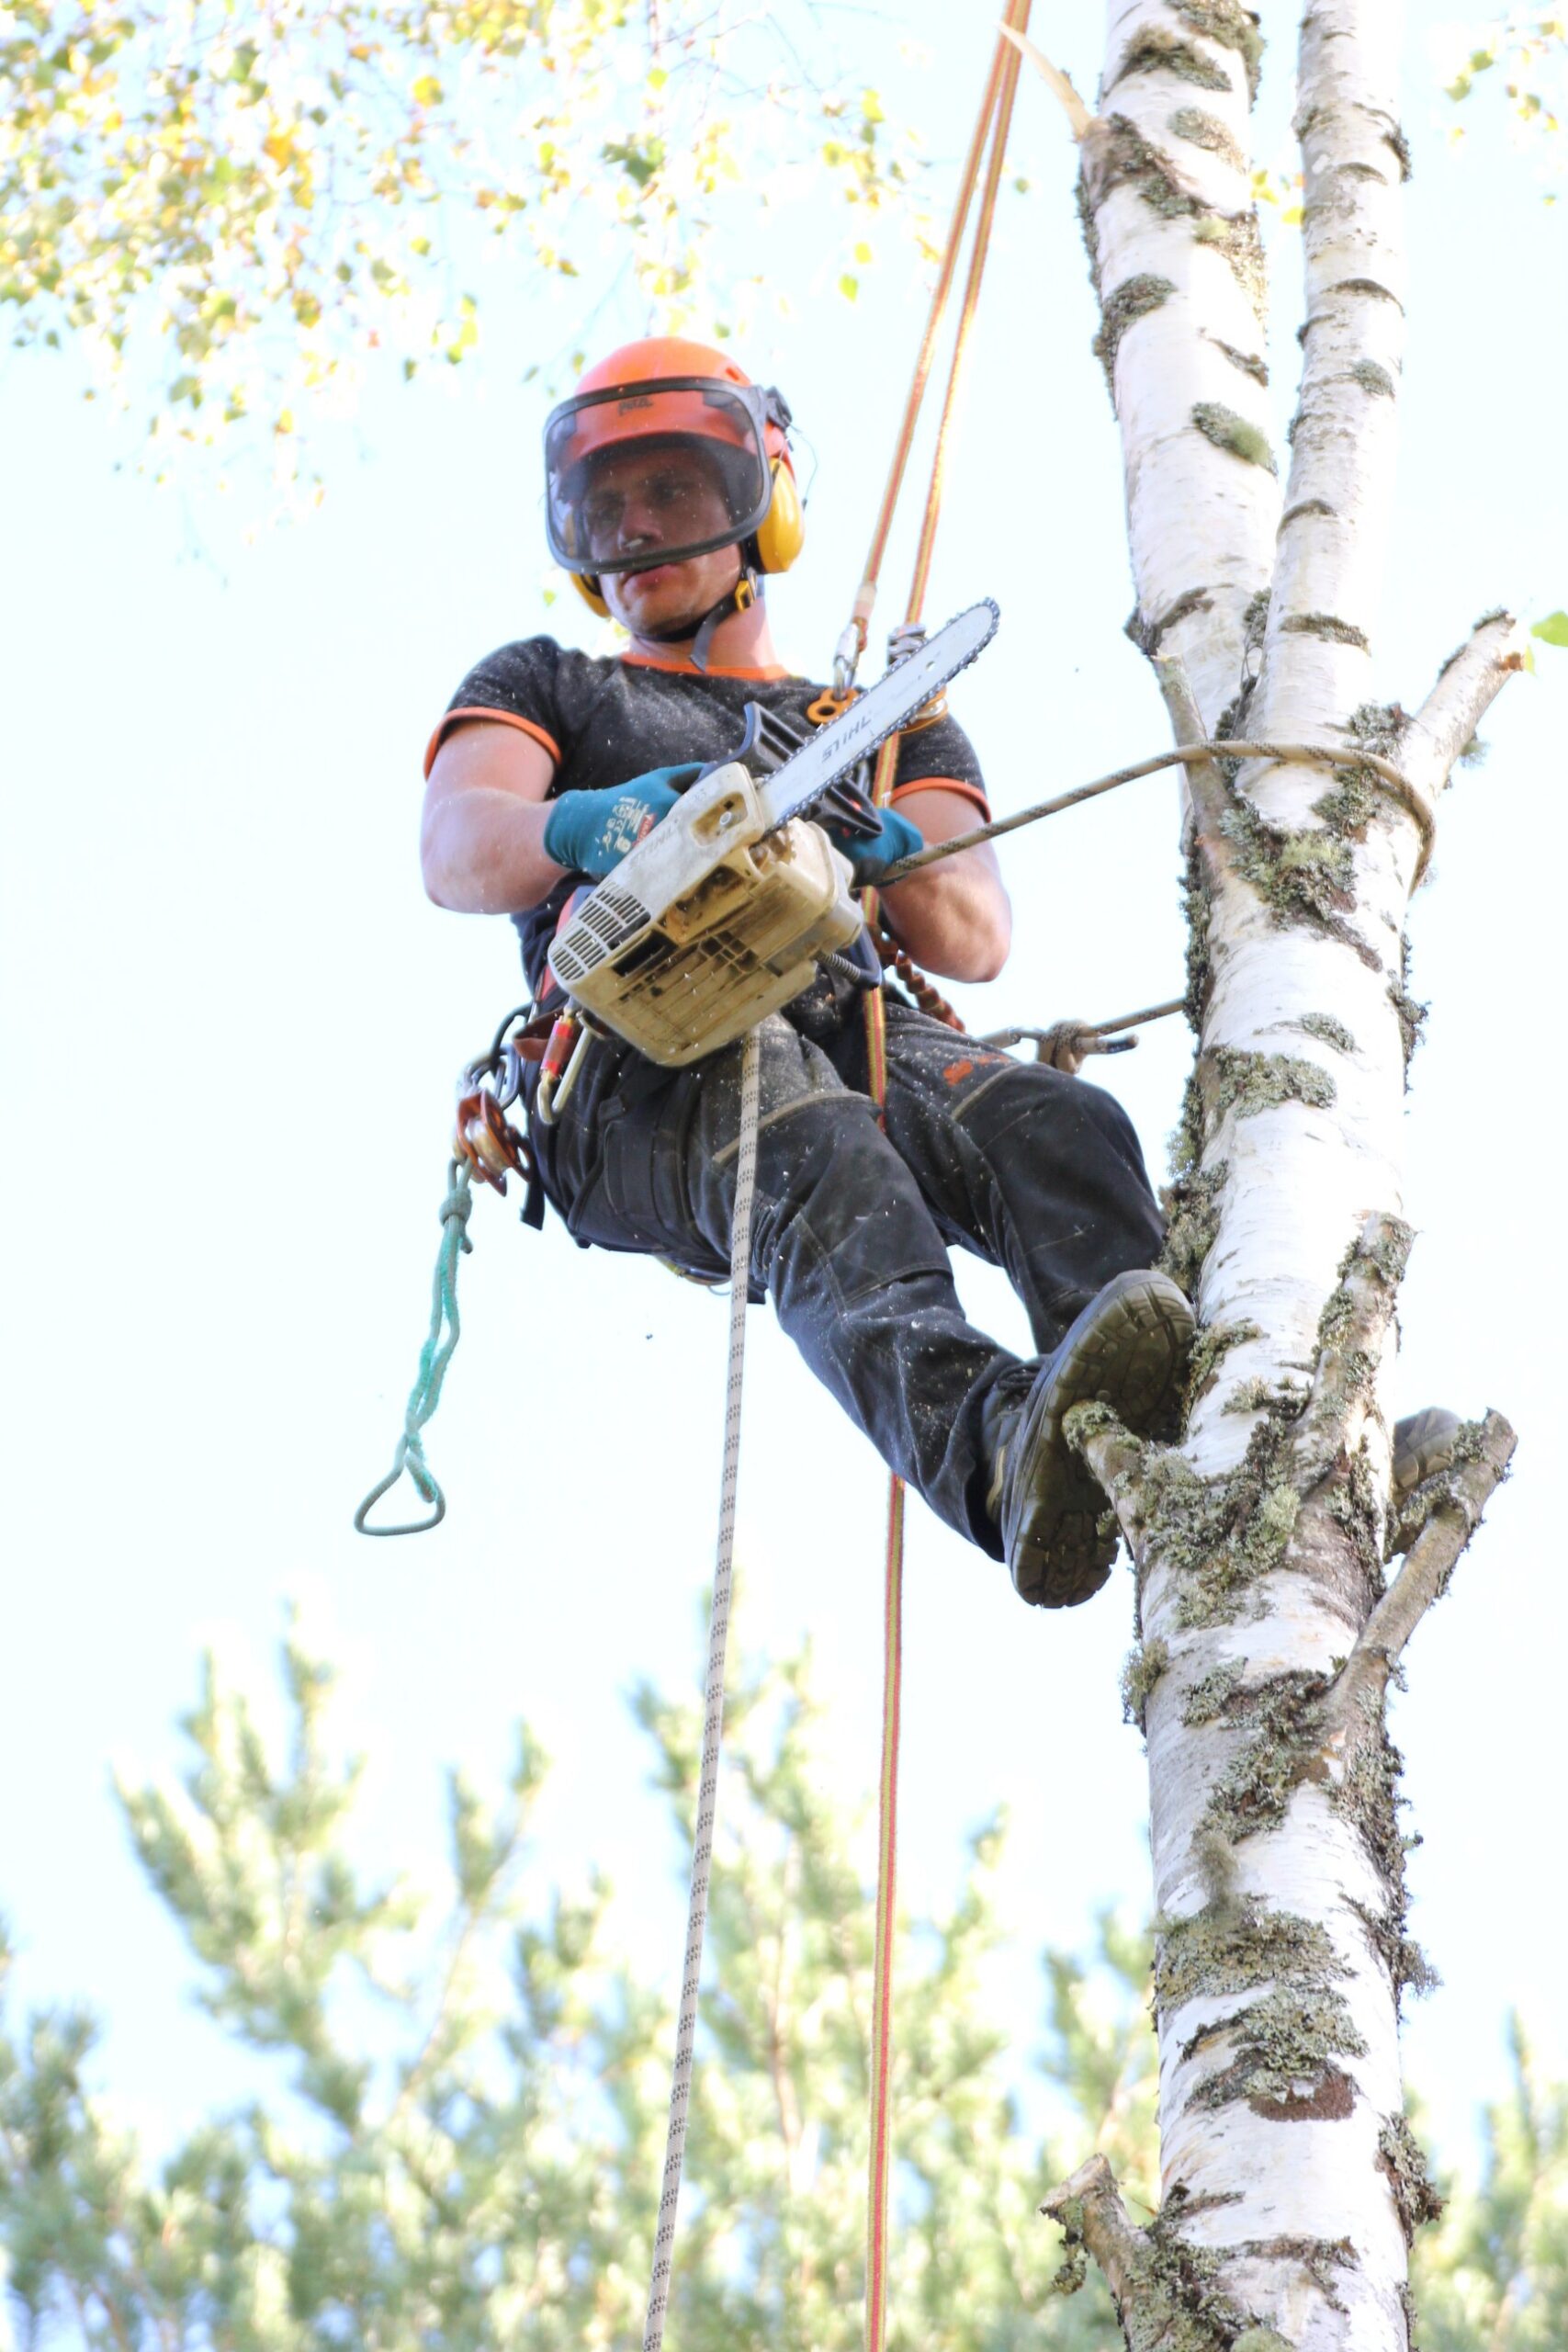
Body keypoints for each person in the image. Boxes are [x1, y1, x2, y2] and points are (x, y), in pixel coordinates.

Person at [419, 336, 1196, 1609]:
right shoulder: (547, 685)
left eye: (670, 490)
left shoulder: (878, 727)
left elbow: (973, 938)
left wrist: (881, 848)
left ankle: (1177, 1438)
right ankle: (1002, 1452)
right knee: (810, 1140)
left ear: (758, 497)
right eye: (605, 506)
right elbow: (457, 847)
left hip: (848, 1030)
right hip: (632, 1065)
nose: (637, 528)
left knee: (1060, 1124)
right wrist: (580, 824)